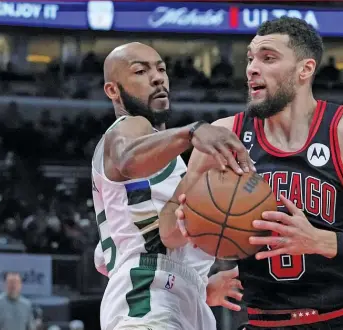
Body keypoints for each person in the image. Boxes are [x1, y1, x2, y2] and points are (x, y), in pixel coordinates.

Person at [163, 17, 343, 329]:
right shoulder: (224, 137)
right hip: (263, 320)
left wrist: (322, 241)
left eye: (268, 58)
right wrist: (187, 222)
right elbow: (169, 234)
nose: (252, 68)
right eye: (250, 58)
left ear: (305, 69)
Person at [92, 42, 253, 330]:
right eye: (140, 71)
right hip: (147, 296)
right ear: (113, 90)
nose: (157, 77)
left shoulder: (166, 160)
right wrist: (192, 131)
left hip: (172, 294)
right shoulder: (129, 127)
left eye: (161, 69)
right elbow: (127, 158)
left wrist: (197, 283)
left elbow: (111, 256)